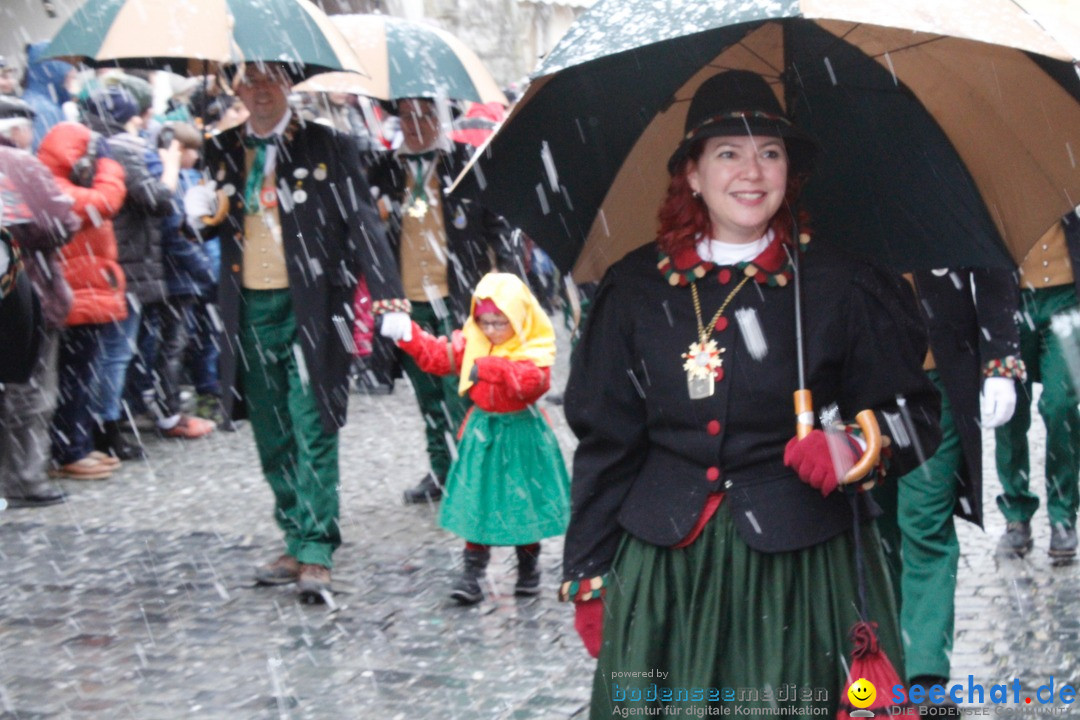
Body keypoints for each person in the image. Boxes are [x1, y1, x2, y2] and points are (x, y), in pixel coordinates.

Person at [560, 71, 941, 717]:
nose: (752, 171)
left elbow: (915, 415)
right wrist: (590, 573)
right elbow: (607, 442)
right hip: (667, 574)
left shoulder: (842, 284)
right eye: (728, 153)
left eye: (770, 151)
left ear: (790, 171)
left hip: (803, 574)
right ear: (692, 174)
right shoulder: (635, 289)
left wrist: (855, 444)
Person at [204, 62, 407, 601]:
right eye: (250, 79)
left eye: (272, 77)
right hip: (248, 307)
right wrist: (196, 213)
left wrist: (388, 294)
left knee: (313, 421)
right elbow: (215, 220)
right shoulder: (221, 148)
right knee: (271, 430)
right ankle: (294, 536)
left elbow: (363, 218)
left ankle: (317, 547)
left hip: (313, 306)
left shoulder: (329, 145)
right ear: (237, 88)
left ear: (289, 84)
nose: (262, 88)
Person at [874, 268, 1022, 715]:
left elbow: (992, 267)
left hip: (935, 381)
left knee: (924, 521)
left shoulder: (941, 200)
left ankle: (925, 675)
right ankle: (882, 664)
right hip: (860, 386)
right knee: (873, 527)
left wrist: (999, 360)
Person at [368, 96, 522, 504]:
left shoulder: (467, 161)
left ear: (441, 116)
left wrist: (507, 288)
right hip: (408, 303)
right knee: (428, 397)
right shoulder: (383, 169)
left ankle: (471, 472)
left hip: (459, 297)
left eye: (426, 114)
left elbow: (498, 228)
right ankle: (442, 470)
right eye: (407, 114)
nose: (416, 123)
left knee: (463, 391)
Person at [394, 272, 570, 603]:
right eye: (484, 322)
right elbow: (439, 355)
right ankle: (472, 574)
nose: (489, 330)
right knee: (477, 501)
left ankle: (528, 568)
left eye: (499, 323)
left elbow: (533, 382)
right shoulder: (473, 342)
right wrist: (409, 335)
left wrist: (491, 367)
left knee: (523, 503)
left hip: (521, 435)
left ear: (517, 320)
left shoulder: (533, 347)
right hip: (483, 433)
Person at [80, 83, 180, 457]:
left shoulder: (89, 144)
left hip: (103, 260)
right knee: (116, 351)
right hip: (127, 264)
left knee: (103, 352)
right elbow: (156, 199)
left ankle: (98, 426)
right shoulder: (120, 148)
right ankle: (106, 428)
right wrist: (169, 168)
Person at [0, 98, 81, 507]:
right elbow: (58, 222)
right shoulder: (17, 163)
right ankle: (25, 479)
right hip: (19, 289)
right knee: (29, 390)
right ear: (18, 130)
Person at [38, 121, 128, 481]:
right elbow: (104, 203)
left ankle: (76, 444)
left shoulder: (64, 182)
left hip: (87, 290)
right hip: (77, 294)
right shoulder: (54, 186)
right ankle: (68, 451)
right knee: (75, 376)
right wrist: (110, 166)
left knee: (82, 373)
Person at [994, 209, 1080, 559]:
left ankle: (1063, 515)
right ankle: (1016, 513)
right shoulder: (993, 171)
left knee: (1061, 404)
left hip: (1067, 301)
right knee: (1010, 408)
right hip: (1010, 301)